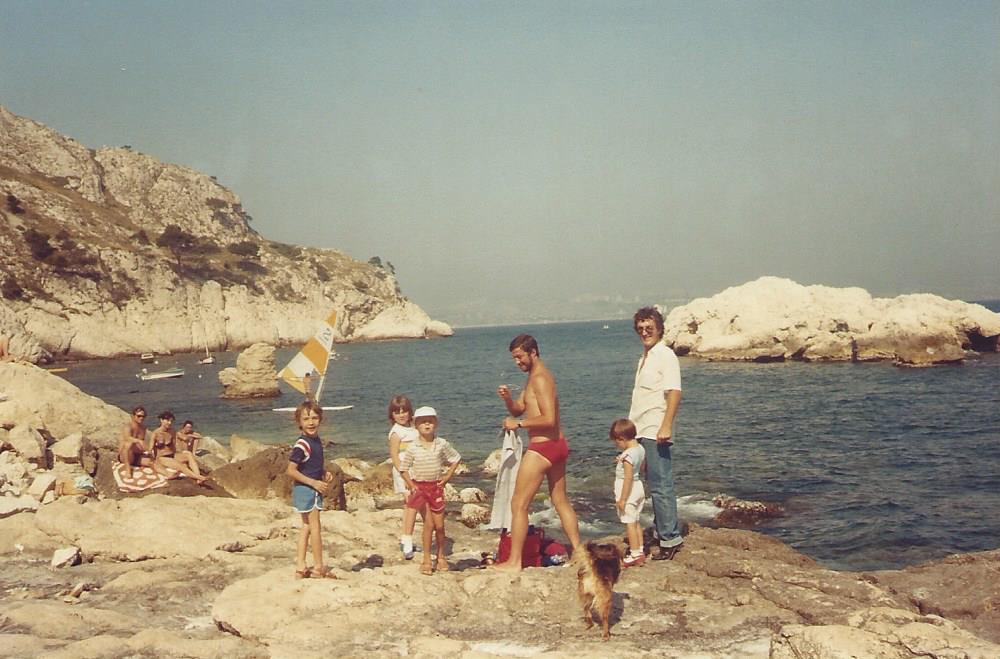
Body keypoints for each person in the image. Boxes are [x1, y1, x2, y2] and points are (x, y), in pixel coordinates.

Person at [495, 334, 581, 571]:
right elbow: (519, 409)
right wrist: (508, 400)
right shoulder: (533, 376)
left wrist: (520, 424)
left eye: (520, 357)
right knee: (560, 500)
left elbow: (549, 418)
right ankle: (579, 551)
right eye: (514, 358)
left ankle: (514, 561)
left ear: (533, 352)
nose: (517, 362)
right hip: (557, 445)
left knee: (518, 503)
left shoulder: (541, 378)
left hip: (543, 448)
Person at [628, 306, 683, 560]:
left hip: (655, 429)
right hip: (640, 429)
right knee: (650, 484)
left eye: (649, 328)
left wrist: (666, 425)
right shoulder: (645, 358)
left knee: (661, 485)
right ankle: (661, 531)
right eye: (640, 328)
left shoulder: (665, 355)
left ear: (659, 329)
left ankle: (670, 539)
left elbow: (674, 392)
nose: (644, 332)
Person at [399, 406, 461, 576]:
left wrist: (447, 476)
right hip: (420, 488)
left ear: (436, 423)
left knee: (439, 526)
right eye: (422, 422)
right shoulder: (413, 447)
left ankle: (441, 556)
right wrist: (411, 485)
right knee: (429, 524)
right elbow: (403, 469)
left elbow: (455, 458)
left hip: (436, 487)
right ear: (416, 425)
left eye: (430, 421)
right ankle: (426, 559)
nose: (427, 425)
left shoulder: (441, 444)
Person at [286, 400, 337, 579]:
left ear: (320, 419)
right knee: (315, 527)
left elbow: (310, 464)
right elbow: (291, 470)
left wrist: (322, 472)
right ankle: (318, 567)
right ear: (299, 422)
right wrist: (314, 483)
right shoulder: (303, 444)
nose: (311, 422)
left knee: (306, 526)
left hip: (305, 489)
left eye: (314, 418)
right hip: (307, 489)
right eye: (306, 419)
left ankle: (300, 566)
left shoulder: (315, 441)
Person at [387, 395, 421, 560]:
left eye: (404, 411)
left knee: (411, 505)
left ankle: (406, 537)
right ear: (392, 415)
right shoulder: (396, 432)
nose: (401, 415)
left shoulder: (413, 427)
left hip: (416, 469)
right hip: (403, 472)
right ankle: (407, 539)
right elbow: (395, 457)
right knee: (411, 504)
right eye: (397, 412)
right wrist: (406, 477)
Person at [610, 418, 647, 567]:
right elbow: (641, 467)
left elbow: (628, 478)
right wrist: (622, 460)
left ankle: (634, 554)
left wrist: (623, 499)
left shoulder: (627, 456)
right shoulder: (640, 449)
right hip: (639, 488)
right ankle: (640, 549)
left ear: (622, 438)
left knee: (629, 523)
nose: (617, 445)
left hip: (628, 491)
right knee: (636, 520)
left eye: (617, 442)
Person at [148, 411, 208, 484]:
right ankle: (199, 477)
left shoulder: (172, 431)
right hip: (162, 458)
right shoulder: (156, 433)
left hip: (172, 455)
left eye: (171, 421)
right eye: (167, 420)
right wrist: (153, 461)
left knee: (189, 454)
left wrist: (180, 454)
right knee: (180, 466)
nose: (169, 423)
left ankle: (198, 476)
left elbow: (174, 447)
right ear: (161, 420)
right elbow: (150, 449)